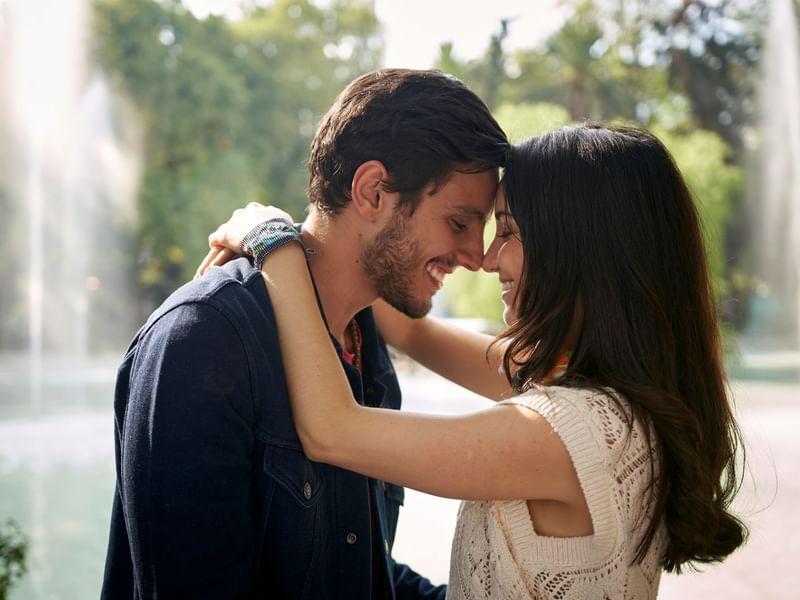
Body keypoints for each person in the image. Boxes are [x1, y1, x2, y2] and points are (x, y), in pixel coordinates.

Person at [202, 123, 747, 599]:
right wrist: (340, 237)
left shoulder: (568, 433)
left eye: (507, 231)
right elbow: (409, 327)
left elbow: (332, 430)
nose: (485, 259)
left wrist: (273, 240)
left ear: (579, 251)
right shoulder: (609, 403)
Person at [101, 68, 509, 599]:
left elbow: (360, 571)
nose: (477, 258)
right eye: (459, 223)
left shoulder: (367, 349)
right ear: (372, 192)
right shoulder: (202, 340)